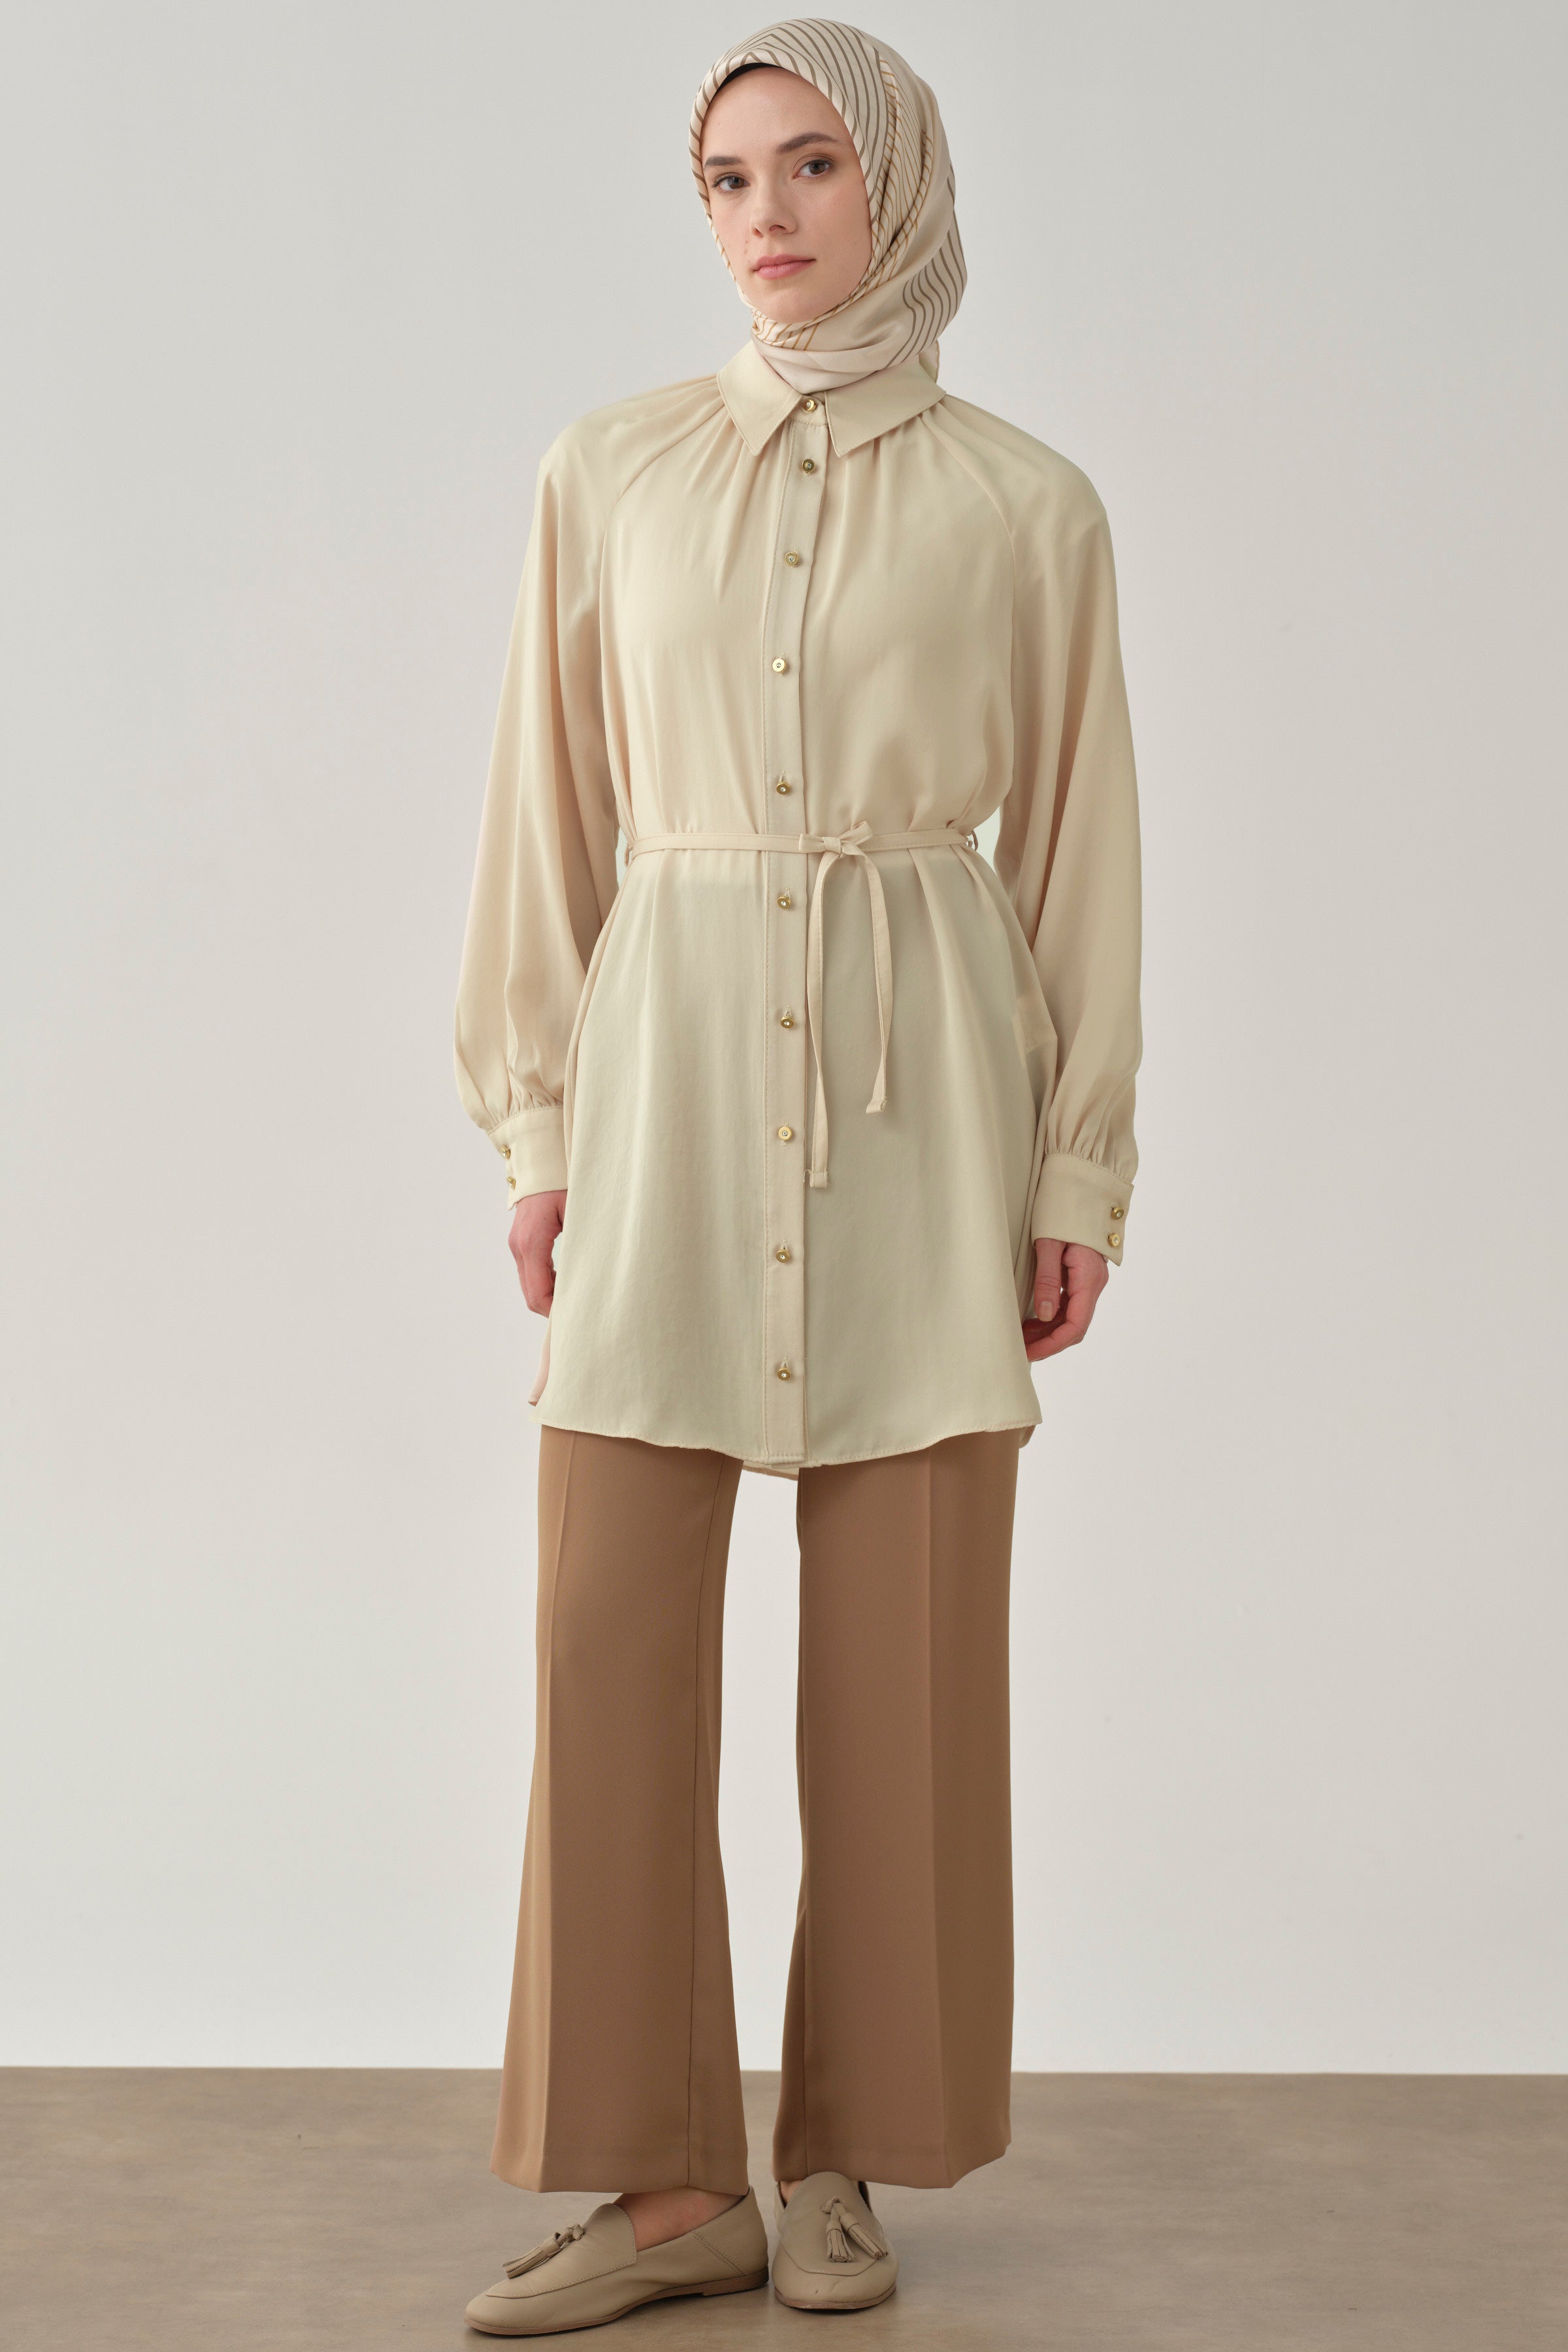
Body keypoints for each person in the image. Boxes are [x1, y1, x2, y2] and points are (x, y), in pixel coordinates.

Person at [452, 16, 1141, 2334]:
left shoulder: (1030, 505)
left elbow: (1080, 850)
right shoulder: (611, 471)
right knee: (603, 1636)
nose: (767, 215)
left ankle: (845, 2160)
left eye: (814, 165)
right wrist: (538, 1121)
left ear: (900, 184)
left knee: (906, 1662)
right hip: (660, 1084)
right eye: (729, 177)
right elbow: (546, 813)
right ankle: (667, 2195)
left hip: (925, 1097)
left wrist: (1079, 1170)